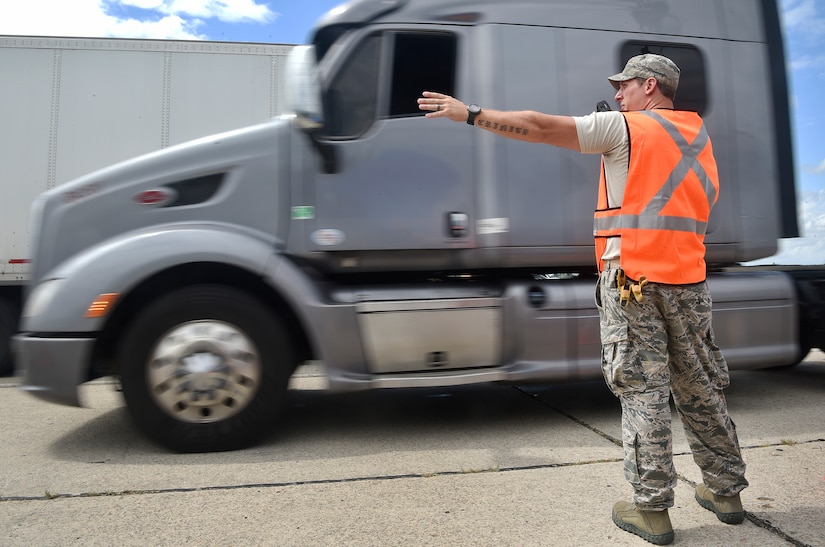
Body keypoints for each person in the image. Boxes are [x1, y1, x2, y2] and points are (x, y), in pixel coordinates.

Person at [418, 54, 748, 545]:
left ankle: (651, 511)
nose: (617, 95)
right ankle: (726, 493)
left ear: (650, 86)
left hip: (632, 278)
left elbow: (539, 127)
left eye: (625, 86)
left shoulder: (624, 129)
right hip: (688, 280)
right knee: (701, 387)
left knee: (643, 391)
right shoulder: (696, 135)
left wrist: (468, 113)